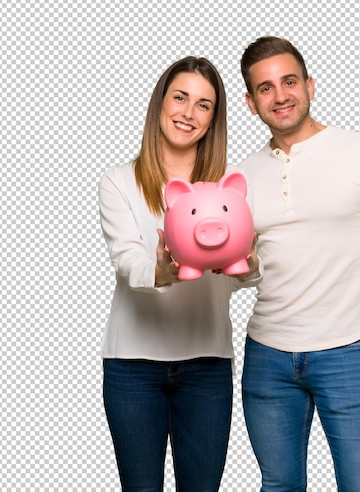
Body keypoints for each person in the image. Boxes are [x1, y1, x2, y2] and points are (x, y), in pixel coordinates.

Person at [237, 36, 360, 491]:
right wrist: (238, 269)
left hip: (350, 352)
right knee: (279, 485)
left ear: (310, 85)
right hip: (266, 355)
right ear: (250, 102)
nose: (280, 95)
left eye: (289, 82)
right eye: (265, 88)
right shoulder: (241, 174)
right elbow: (245, 274)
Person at [98, 56, 261, 491]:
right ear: (160, 103)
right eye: (181, 98)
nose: (189, 113)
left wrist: (251, 263)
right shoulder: (119, 181)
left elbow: (236, 271)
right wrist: (162, 269)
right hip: (133, 365)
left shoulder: (229, 186)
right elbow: (126, 259)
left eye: (204, 105)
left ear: (214, 119)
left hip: (206, 362)